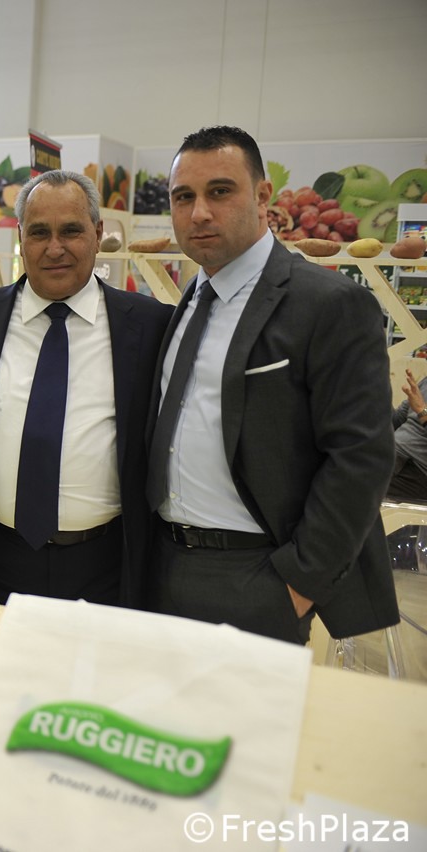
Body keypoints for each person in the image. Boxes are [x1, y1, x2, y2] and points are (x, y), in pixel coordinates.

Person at [148, 124, 399, 644]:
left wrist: (299, 583)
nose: (199, 213)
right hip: (161, 566)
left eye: (220, 191)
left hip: (258, 576)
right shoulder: (188, 301)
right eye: (183, 197)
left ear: (263, 196)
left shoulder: (329, 304)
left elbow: (361, 456)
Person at [0, 170, 173, 659]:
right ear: (21, 238)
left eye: (71, 231)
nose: (54, 248)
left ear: (97, 233)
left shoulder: (150, 326)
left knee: (88, 698)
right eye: (39, 232)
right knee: (1, 696)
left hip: (105, 568)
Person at [388, 367, 427, 502]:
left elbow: (420, 409)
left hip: (415, 469)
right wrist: (378, 393)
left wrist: (422, 411)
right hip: (392, 455)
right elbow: (396, 421)